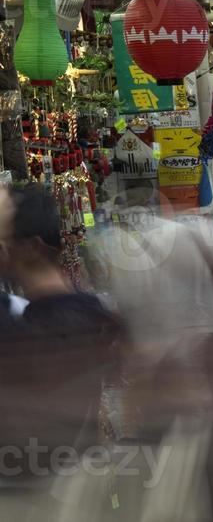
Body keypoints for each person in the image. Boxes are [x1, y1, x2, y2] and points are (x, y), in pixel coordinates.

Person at [0, 183, 122, 504]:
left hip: (37, 496)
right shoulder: (89, 311)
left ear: (30, 247)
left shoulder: (35, 330)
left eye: (5, 240)